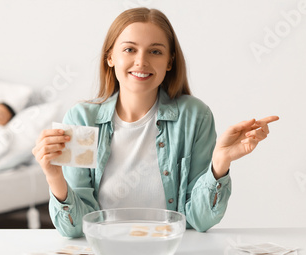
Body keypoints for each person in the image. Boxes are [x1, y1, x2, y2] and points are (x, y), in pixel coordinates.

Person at [32, 8, 279, 238]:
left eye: (155, 51)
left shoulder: (195, 116)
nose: (141, 61)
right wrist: (55, 177)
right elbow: (75, 228)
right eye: (130, 49)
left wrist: (220, 164)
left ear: (169, 62)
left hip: (170, 247)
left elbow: (200, 221)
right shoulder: (82, 119)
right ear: (110, 57)